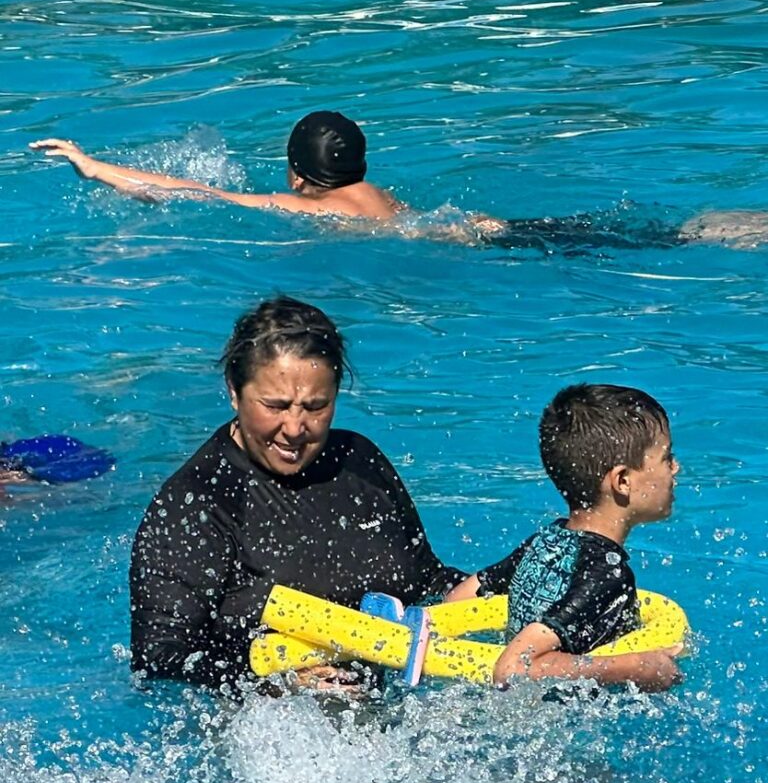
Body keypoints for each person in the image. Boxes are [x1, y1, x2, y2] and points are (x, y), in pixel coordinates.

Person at [130, 295, 465, 691]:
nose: (294, 427)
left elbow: (427, 582)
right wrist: (276, 676)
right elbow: (159, 658)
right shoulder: (197, 503)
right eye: (274, 405)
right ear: (234, 392)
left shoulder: (360, 462)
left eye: (315, 406)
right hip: (266, 730)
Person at [447, 383, 683, 691]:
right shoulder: (607, 575)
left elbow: (460, 598)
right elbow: (515, 667)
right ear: (623, 481)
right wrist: (638, 667)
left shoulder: (546, 541)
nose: (676, 468)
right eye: (667, 458)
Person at [29, 111, 400, 223]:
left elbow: (199, 193)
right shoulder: (385, 199)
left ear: (298, 175)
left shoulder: (308, 205)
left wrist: (95, 167)